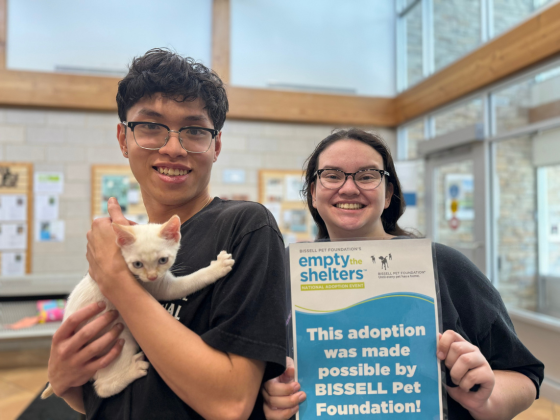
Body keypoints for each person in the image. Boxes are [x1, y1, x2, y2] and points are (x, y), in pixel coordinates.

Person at [46, 49, 287, 419]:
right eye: (151, 126)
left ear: (215, 145)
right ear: (123, 139)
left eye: (193, 130)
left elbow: (230, 404)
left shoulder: (245, 227)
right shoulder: (128, 244)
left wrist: (118, 282)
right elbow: (112, 399)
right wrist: (64, 382)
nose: (173, 148)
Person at [261, 128, 544, 420]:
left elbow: (524, 377)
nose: (348, 188)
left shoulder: (445, 266)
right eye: (332, 175)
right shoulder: (281, 271)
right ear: (313, 193)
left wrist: (485, 399)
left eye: (367, 175)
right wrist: (270, 396)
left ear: (388, 195)